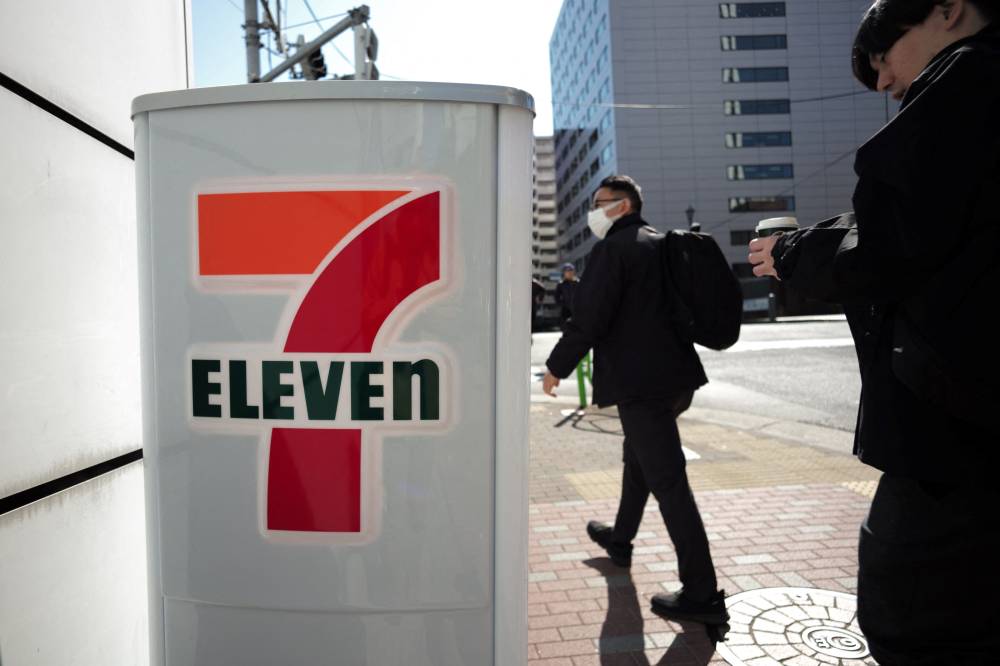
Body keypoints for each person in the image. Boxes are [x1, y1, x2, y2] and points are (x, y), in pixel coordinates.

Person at [748, 1, 1000, 661]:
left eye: (884, 56)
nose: (885, 81)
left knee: (913, 611)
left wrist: (794, 255)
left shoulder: (969, 79)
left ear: (947, 10)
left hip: (958, 430)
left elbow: (892, 243)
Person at [542, 175, 727, 626]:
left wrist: (555, 367)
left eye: (600, 203)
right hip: (676, 379)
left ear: (622, 206)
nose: (594, 212)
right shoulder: (659, 243)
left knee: (669, 484)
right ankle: (621, 539)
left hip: (642, 386)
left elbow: (589, 318)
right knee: (638, 459)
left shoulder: (614, 250)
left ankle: (702, 592)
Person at [554, 262, 579, 328]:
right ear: (564, 273)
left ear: (574, 272)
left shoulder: (578, 282)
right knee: (565, 327)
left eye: (571, 271)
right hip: (565, 309)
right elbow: (556, 297)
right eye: (567, 271)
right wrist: (562, 304)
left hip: (577, 308)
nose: (569, 273)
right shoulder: (561, 284)